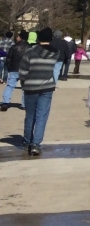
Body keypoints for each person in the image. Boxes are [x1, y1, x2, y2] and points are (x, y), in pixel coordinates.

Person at [20, 27, 61, 156]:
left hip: (31, 87)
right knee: (42, 117)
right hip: (47, 87)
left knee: (30, 115)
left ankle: (27, 141)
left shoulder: (30, 52)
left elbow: (22, 71)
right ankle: (36, 145)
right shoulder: (56, 53)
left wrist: (24, 83)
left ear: (39, 38)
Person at [1, 31, 28, 112]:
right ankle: (24, 104)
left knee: (10, 86)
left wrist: (9, 67)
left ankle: (5, 102)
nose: (17, 37)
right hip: (25, 69)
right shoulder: (30, 47)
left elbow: (9, 58)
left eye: (18, 36)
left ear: (20, 37)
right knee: (25, 88)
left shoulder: (14, 46)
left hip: (14, 69)